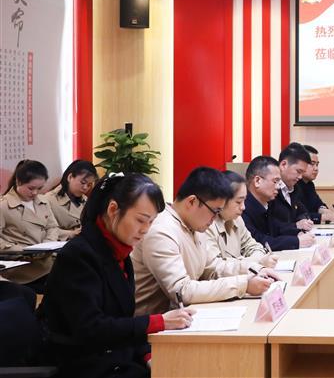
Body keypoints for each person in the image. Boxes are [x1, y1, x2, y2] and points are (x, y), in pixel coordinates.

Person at [38, 174, 194, 378]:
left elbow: (122, 320)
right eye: (140, 220)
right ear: (113, 210)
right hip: (80, 364)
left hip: (112, 356)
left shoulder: (118, 251)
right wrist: (159, 321)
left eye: (151, 222)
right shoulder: (79, 255)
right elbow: (91, 328)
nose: (145, 230)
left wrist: (146, 355)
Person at [132, 167, 278, 315]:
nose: (215, 219)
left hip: (181, 316)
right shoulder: (162, 230)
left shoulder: (193, 225)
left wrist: (255, 269)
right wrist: (243, 285)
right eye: (215, 211)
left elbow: (213, 267)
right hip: (152, 323)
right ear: (192, 201)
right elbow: (182, 291)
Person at [0, 159, 59, 289]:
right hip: (22, 267)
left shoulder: (43, 201)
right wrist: (20, 250)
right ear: (18, 182)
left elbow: (53, 227)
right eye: (31, 188)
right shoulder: (4, 205)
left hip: (48, 260)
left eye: (40, 188)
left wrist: (48, 244)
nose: (35, 193)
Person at [205, 171, 276, 270]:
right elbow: (215, 268)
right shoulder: (206, 224)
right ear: (221, 200)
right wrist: (256, 262)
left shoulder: (237, 219)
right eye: (238, 202)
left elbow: (253, 246)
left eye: (244, 201)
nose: (243, 207)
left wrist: (256, 260)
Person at [242, 156, 314, 250]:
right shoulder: (242, 207)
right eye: (275, 181)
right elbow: (258, 240)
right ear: (257, 181)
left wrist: (296, 232)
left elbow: (276, 227)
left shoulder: (267, 203)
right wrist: (297, 241)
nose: (278, 187)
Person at [43, 159, 98, 240]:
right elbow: (44, 230)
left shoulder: (86, 200)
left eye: (89, 185)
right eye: (83, 182)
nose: (85, 188)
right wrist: (70, 233)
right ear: (70, 177)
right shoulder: (48, 200)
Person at [271, 144, 315, 232]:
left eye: (302, 173)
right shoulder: (270, 189)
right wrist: (295, 226)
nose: (300, 177)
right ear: (283, 165)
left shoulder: (295, 188)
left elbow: (303, 212)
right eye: (298, 171)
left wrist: (304, 220)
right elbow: (270, 226)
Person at [297, 145, 334, 224]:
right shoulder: (293, 185)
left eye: (317, 165)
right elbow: (300, 215)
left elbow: (318, 204)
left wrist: (324, 210)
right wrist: (325, 217)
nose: (316, 169)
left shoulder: (309, 184)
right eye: (312, 164)